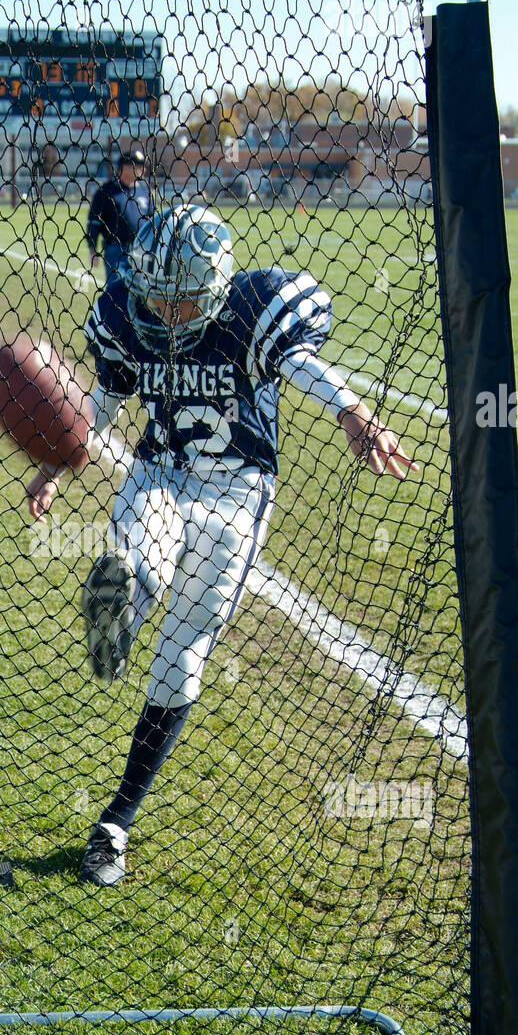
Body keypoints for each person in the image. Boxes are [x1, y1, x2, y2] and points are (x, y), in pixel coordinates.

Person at [26, 204, 418, 887]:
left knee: (180, 664)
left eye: (180, 301)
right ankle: (117, 612)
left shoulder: (250, 310)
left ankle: (116, 820)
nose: (162, 311)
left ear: (211, 291)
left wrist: (352, 409)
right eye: (156, 294)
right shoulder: (127, 313)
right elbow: (107, 400)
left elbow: (298, 363)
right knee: (138, 551)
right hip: (162, 472)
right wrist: (58, 461)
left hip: (237, 494)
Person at [85, 145, 151, 287]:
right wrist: (92, 249)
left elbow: (153, 221)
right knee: (117, 291)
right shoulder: (106, 191)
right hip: (116, 251)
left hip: (141, 251)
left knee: (142, 291)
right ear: (125, 167)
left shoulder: (145, 191)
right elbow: (94, 222)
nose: (143, 170)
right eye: (139, 166)